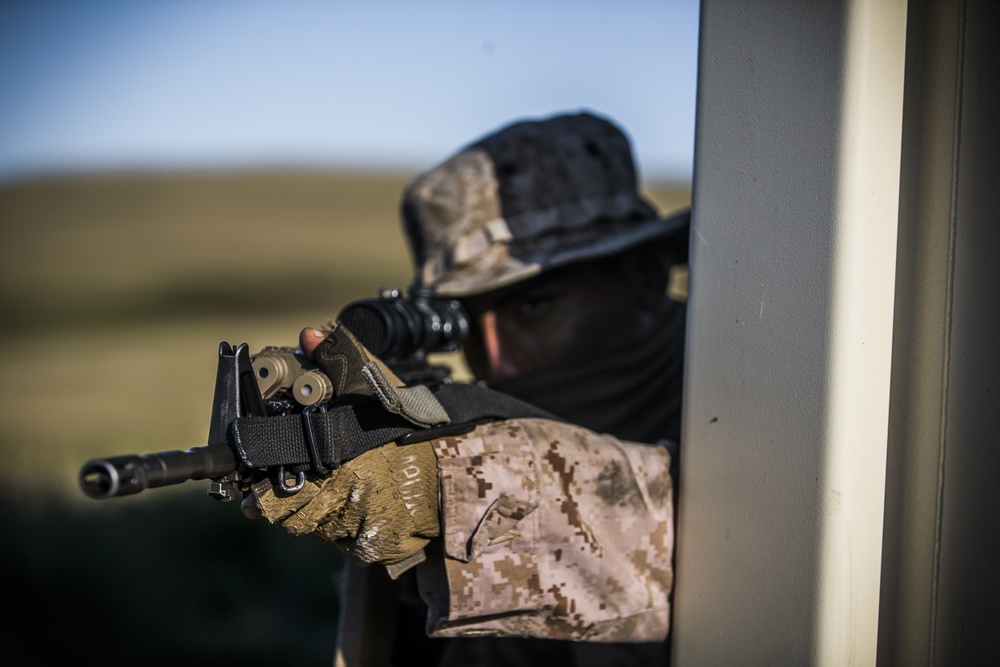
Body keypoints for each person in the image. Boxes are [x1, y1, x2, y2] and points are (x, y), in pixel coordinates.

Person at [242, 110, 690, 666]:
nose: (496, 361)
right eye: (470, 327)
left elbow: (701, 539)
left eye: (534, 305)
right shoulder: (485, 416)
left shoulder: (755, 398)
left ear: (644, 277)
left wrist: (449, 489)